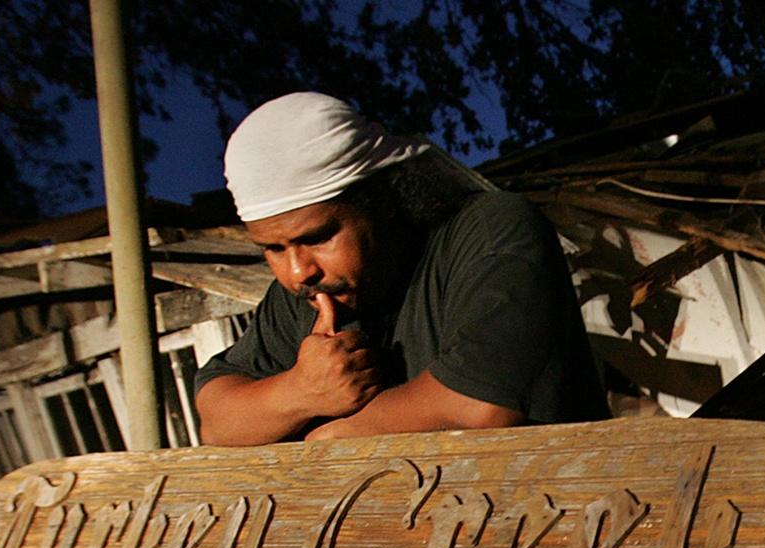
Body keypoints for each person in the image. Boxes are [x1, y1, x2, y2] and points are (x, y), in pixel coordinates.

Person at [194, 92, 608, 445]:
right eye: (273, 248)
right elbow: (217, 421)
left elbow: (481, 407)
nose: (299, 271)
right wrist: (300, 392)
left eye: (319, 237)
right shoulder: (302, 297)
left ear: (383, 203)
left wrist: (336, 434)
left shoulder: (491, 228)